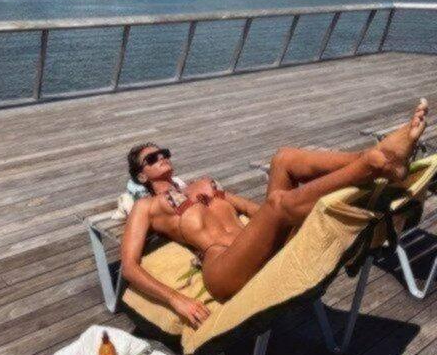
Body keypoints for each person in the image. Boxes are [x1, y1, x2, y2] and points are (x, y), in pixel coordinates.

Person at [121, 99, 429, 330]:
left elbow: (252, 210)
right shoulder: (146, 207)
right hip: (224, 269)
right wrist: (176, 300)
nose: (161, 157)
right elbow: (130, 267)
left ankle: (372, 158)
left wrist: (294, 220)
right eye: (152, 158)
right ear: (141, 176)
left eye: (164, 153)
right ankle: (372, 166)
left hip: (259, 245)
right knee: (279, 204)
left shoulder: (202, 184)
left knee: (283, 158)